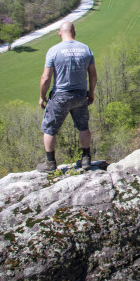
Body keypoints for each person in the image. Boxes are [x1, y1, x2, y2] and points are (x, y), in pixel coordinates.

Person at [36, 21, 97, 172]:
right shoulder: (86, 49)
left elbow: (45, 78)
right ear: (74, 31)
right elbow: (93, 75)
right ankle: (86, 159)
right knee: (83, 127)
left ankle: (50, 163)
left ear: (59, 33)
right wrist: (91, 93)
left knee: (50, 129)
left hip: (60, 96)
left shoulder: (54, 51)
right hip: (80, 95)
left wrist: (42, 96)